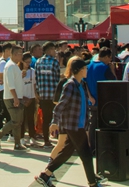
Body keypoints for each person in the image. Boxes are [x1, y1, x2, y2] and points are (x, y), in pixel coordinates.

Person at [34, 57, 102, 187]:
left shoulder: (82, 84)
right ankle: (93, 183)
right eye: (85, 68)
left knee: (66, 152)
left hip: (79, 124)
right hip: (73, 125)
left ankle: (45, 175)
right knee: (86, 154)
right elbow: (61, 105)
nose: (86, 70)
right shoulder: (70, 85)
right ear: (80, 70)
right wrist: (54, 122)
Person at [0, 46, 28, 151]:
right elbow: (10, 84)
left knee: (18, 122)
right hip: (11, 97)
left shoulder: (14, 66)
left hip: (16, 97)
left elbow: (15, 81)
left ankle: (17, 144)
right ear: (14, 54)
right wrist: (15, 98)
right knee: (15, 121)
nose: (21, 56)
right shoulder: (10, 66)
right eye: (20, 53)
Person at [35, 42, 60, 148]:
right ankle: (58, 138)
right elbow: (57, 79)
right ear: (50, 50)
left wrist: (38, 92)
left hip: (43, 95)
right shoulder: (54, 62)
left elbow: (36, 79)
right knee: (56, 117)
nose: (55, 52)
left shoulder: (38, 62)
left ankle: (46, 141)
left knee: (45, 119)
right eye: (54, 49)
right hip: (54, 95)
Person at [21, 51, 38, 145]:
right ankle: (21, 137)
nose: (28, 64)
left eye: (29, 62)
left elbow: (34, 84)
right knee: (22, 119)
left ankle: (32, 136)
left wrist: (35, 96)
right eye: (26, 62)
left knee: (31, 118)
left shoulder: (32, 71)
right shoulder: (18, 71)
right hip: (22, 97)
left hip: (31, 97)